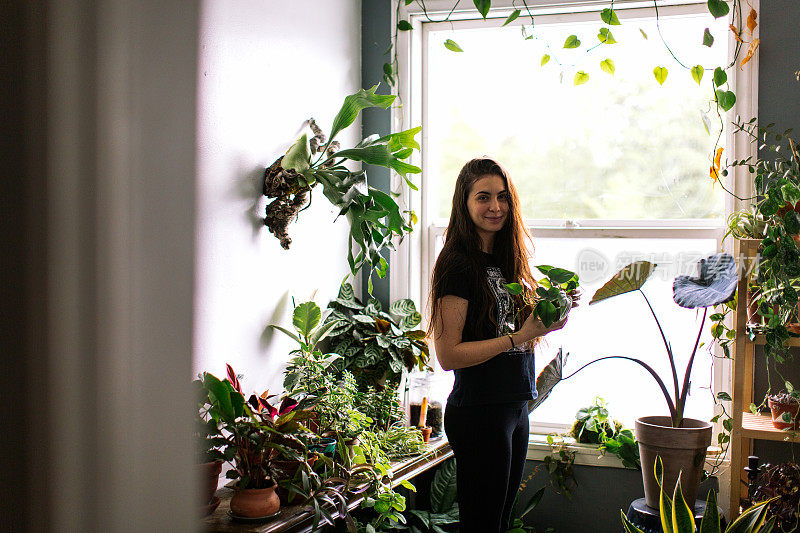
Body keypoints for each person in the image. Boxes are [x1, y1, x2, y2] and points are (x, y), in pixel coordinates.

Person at [428, 157, 574, 533]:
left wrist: (548, 319)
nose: (496, 207)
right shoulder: (457, 264)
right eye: (483, 197)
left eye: (503, 197)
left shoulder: (509, 259)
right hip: (480, 413)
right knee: (482, 527)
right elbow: (448, 355)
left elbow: (513, 334)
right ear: (464, 203)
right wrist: (518, 336)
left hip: (514, 407)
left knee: (499, 524)